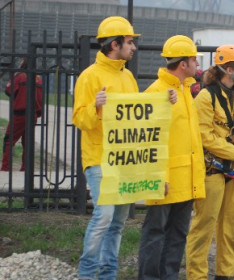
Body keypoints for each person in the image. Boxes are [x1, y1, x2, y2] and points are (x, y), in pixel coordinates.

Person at [72, 16, 140, 280]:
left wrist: (165, 100)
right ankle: (87, 274)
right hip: (99, 158)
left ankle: (108, 275)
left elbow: (139, 116)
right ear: (115, 44)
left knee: (118, 222)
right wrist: (95, 107)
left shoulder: (129, 77)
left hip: (124, 160)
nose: (133, 47)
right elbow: (80, 119)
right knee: (104, 215)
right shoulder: (89, 77)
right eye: (130, 41)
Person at [137, 35, 206, 280]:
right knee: (155, 233)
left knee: (178, 234)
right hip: (167, 180)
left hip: (185, 179)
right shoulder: (157, 92)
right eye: (194, 60)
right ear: (183, 64)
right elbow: (150, 140)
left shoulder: (185, 91)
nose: (197, 65)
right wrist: (159, 177)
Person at [186, 44, 234, 279]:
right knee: (204, 225)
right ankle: (197, 275)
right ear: (229, 68)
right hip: (213, 169)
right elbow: (205, 136)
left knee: (231, 226)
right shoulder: (206, 97)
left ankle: (225, 274)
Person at [1, 58, 43, 171]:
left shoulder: (19, 76)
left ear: (23, 64)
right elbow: (40, 99)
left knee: (9, 140)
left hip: (19, 114)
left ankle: (5, 168)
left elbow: (9, 91)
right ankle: (26, 168)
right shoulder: (38, 79)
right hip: (32, 115)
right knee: (28, 142)